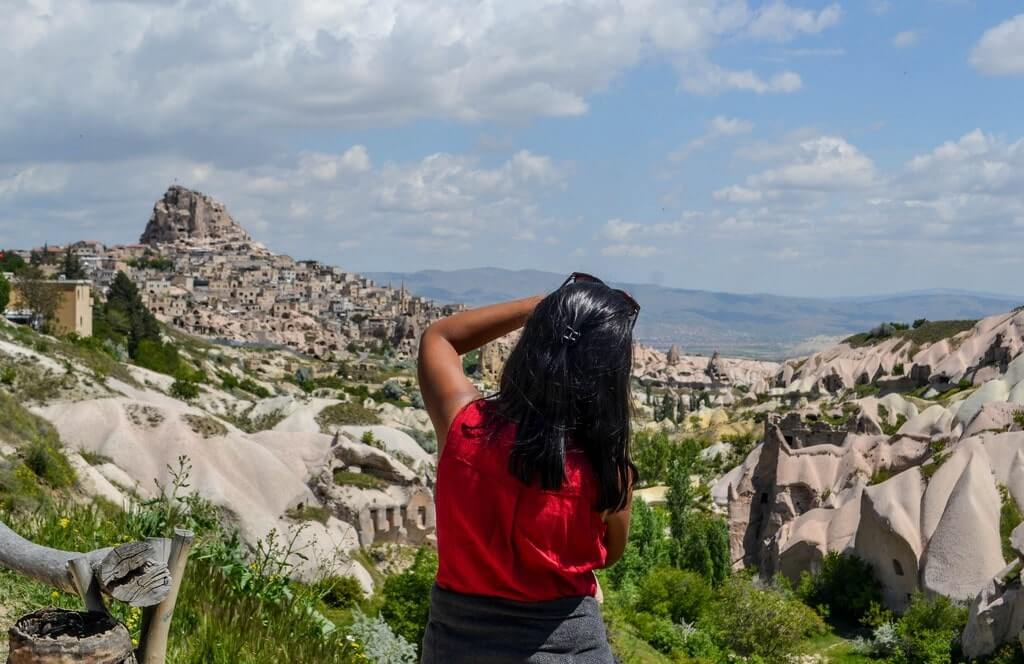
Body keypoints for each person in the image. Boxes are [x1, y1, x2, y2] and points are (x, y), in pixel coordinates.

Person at [417, 272, 640, 663]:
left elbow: (440, 338)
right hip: (573, 648)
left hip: (458, 646)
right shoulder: (610, 473)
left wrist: (548, 305)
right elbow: (608, 555)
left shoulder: (466, 429)